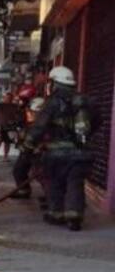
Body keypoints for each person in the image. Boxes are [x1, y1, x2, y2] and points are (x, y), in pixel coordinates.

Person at [23, 66, 92, 231]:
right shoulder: (83, 100)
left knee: (55, 183)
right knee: (75, 183)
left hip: (57, 154)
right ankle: (75, 216)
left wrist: (28, 145)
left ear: (55, 83)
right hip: (81, 154)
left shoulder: (52, 102)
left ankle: (57, 214)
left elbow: (40, 126)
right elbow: (95, 121)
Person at [11, 96, 45, 200]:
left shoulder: (44, 125)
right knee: (18, 170)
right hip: (27, 151)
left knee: (42, 175)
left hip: (38, 153)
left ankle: (52, 197)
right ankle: (23, 191)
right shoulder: (30, 123)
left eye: (31, 111)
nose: (28, 113)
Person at [0, 92, 22, 161]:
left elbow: (18, 113)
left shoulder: (14, 106)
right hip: (2, 126)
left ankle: (5, 156)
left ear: (12, 99)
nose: (8, 99)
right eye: (7, 98)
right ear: (4, 98)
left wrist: (15, 121)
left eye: (10, 98)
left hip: (11, 126)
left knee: (7, 142)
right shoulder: (0, 105)